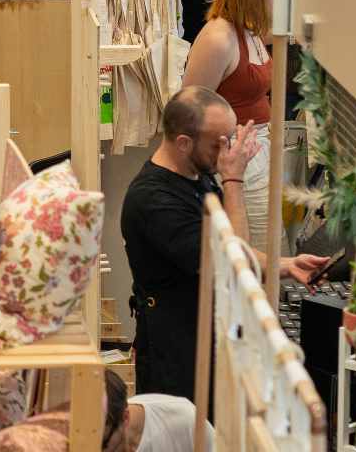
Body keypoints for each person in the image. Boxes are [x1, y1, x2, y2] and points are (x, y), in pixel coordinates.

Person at [121, 88, 328, 399]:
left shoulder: (195, 172)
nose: (230, 150)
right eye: (220, 143)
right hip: (176, 355)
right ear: (183, 143)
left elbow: (232, 247)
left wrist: (287, 266)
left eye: (231, 138)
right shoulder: (154, 201)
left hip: (207, 338)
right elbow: (234, 263)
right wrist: (233, 181)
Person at [180, 0, 279, 244]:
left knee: (269, 247)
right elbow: (188, 111)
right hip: (236, 161)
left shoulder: (251, 29)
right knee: (253, 255)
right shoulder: (219, 39)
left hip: (256, 154)